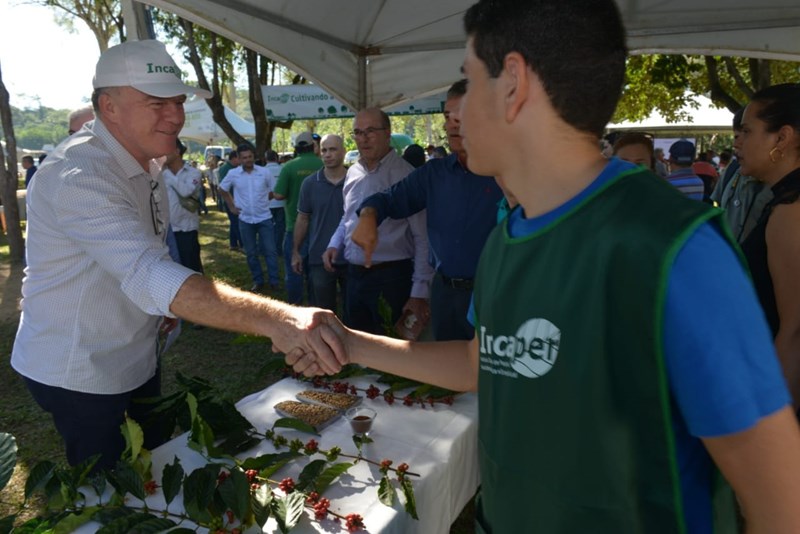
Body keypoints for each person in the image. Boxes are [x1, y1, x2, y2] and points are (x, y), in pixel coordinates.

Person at [288, 2, 800, 533]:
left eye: (469, 79)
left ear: (513, 83)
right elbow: (478, 363)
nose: (456, 112)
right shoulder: (509, 236)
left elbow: (779, 498)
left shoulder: (673, 247)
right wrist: (347, 342)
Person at [11, 40, 343, 473]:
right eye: (156, 103)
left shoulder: (147, 162)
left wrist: (161, 309)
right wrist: (277, 319)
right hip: (81, 368)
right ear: (108, 107)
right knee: (114, 489)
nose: (176, 115)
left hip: (136, 351)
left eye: (178, 101)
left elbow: (143, 257)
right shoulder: (79, 175)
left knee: (160, 461)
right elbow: (148, 272)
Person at [353, 80, 503, 341]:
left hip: (494, 294)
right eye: (447, 117)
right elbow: (387, 199)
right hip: (445, 294)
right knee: (447, 373)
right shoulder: (434, 174)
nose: (452, 124)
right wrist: (368, 215)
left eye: (463, 115)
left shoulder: (508, 174)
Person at [324, 108, 433, 335]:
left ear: (387, 132)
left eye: (371, 131)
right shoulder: (353, 172)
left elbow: (423, 237)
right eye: (358, 132)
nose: (363, 138)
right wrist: (335, 244)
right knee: (356, 345)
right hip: (353, 276)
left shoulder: (406, 176)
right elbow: (348, 216)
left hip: (392, 278)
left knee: (393, 351)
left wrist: (419, 291)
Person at [738, 83, 800, 408]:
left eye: (747, 131)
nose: (738, 141)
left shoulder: (791, 209)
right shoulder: (784, 202)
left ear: (781, 138)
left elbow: (794, 332)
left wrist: (776, 422)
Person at [293, 134, 348, 315]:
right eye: (324, 150)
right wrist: (296, 251)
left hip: (352, 257)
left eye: (332, 149)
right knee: (324, 314)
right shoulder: (309, 183)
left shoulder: (356, 181)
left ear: (343, 151)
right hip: (319, 257)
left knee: (354, 314)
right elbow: (303, 219)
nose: (327, 154)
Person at [218, 143, 280, 293]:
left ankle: (274, 281)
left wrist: (264, 200)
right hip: (245, 219)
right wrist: (232, 206)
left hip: (264, 217)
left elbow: (274, 190)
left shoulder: (264, 172)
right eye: (244, 157)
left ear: (254, 156)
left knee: (270, 251)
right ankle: (258, 281)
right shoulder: (233, 174)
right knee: (251, 253)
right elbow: (222, 189)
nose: (248, 160)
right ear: (238, 159)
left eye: (250, 156)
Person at [274, 132, 323, 304]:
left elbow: (279, 195)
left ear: (296, 148)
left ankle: (295, 307)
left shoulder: (289, 167)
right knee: (316, 272)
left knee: (294, 271)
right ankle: (315, 306)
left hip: (294, 228)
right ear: (313, 146)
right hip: (320, 229)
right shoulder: (323, 164)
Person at [711, 108, 773, 243]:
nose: (736, 144)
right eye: (737, 136)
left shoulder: (786, 188)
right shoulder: (732, 170)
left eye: (746, 133)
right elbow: (716, 206)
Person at [163, 138, 203, 273]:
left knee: (191, 269)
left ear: (177, 151)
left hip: (187, 229)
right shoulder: (159, 174)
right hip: (168, 231)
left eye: (166, 151)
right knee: (174, 270)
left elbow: (185, 191)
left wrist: (167, 174)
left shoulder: (193, 173)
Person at [218, 150, 243, 249]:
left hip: (234, 198)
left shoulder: (231, 168)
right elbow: (224, 188)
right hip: (231, 200)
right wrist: (231, 202)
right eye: (239, 158)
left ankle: (233, 243)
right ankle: (242, 244)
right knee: (236, 223)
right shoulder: (226, 169)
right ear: (234, 158)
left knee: (234, 222)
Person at [263, 149, 286, 256]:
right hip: (281, 202)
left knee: (267, 227)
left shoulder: (262, 171)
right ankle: (278, 248)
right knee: (280, 227)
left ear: (266, 159)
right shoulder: (283, 169)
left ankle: (267, 248)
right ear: (276, 158)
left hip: (267, 203)